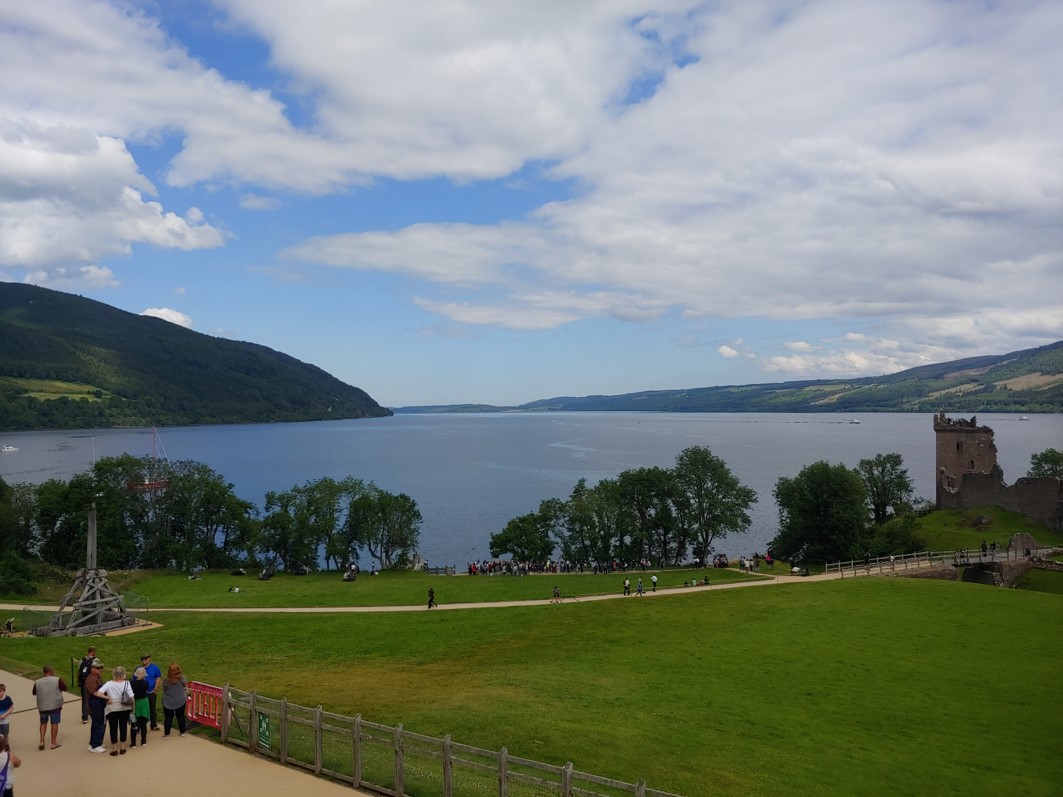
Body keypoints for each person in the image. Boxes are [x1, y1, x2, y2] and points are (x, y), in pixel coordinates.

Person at [95, 665, 133, 756]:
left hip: (112, 708)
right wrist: (132, 708)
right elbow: (131, 696)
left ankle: (114, 749)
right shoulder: (127, 683)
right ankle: (122, 747)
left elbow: (98, 693)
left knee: (113, 728)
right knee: (123, 727)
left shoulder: (108, 684)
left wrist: (107, 698)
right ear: (123, 673)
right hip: (124, 708)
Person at [32, 664, 67, 750]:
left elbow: (34, 692)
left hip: (42, 706)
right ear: (51, 671)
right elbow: (65, 688)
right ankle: (53, 743)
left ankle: (42, 741)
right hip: (55, 706)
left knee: (43, 723)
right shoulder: (57, 680)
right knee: (54, 723)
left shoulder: (37, 682)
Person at [84, 658, 107, 753]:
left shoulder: (96, 677)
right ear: (92, 668)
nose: (100, 669)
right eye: (98, 668)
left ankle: (95, 742)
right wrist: (108, 698)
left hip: (99, 704)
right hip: (95, 705)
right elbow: (95, 693)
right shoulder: (91, 679)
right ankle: (95, 745)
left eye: (101, 668)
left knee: (98, 724)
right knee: (99, 724)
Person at [161, 663, 188, 738]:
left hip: (168, 701)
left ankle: (167, 734)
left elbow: (163, 688)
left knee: (168, 717)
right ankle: (182, 732)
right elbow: (185, 684)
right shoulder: (182, 678)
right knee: (180, 716)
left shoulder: (166, 680)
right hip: (180, 699)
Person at [139, 653, 162, 731]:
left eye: (145, 658)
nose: (143, 660)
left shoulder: (155, 668)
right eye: (142, 659)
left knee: (152, 709)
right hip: (141, 693)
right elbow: (134, 679)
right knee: (141, 710)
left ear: (149, 659)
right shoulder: (138, 669)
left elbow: (158, 677)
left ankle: (153, 725)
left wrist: (156, 688)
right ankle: (140, 726)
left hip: (151, 692)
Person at [129, 667, 150, 748]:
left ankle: (133, 743)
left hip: (135, 703)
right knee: (143, 723)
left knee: (134, 723)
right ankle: (143, 741)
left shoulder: (132, 683)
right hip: (144, 703)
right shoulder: (145, 683)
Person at [77, 645, 96, 724]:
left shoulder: (82, 660)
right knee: (94, 697)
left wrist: (79, 681)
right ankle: (93, 714)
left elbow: (78, 670)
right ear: (93, 651)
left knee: (84, 699)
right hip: (91, 682)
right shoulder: (95, 660)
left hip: (83, 682)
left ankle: (84, 717)